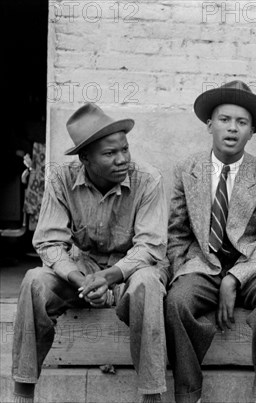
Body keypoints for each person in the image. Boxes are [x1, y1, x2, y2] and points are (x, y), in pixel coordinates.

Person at [12, 103, 169, 403]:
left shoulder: (149, 180)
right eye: (110, 154)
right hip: (81, 272)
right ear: (85, 158)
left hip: (130, 272)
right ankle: (23, 393)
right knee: (35, 281)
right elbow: (48, 242)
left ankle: (151, 395)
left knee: (149, 283)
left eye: (125, 149)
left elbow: (150, 246)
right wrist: (79, 279)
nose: (122, 158)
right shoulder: (60, 178)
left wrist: (108, 277)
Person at [165, 80, 256, 403]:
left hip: (252, 265)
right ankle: (189, 394)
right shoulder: (187, 169)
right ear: (209, 124)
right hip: (203, 263)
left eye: (242, 122)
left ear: (252, 132)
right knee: (177, 301)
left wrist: (235, 278)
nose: (232, 129)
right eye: (224, 120)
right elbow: (176, 234)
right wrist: (184, 269)